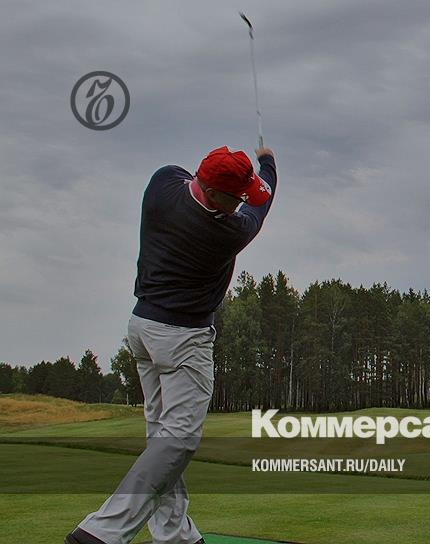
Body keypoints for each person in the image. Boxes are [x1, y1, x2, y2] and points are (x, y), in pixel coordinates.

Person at [66, 145, 278, 544]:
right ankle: (102, 531)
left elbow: (208, 181)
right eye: (236, 197)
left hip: (142, 328)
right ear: (213, 194)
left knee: (162, 439)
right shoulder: (228, 231)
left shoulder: (162, 183)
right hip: (183, 340)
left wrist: (237, 173)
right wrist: (268, 162)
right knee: (178, 440)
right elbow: (261, 206)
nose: (241, 203)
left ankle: (174, 534)